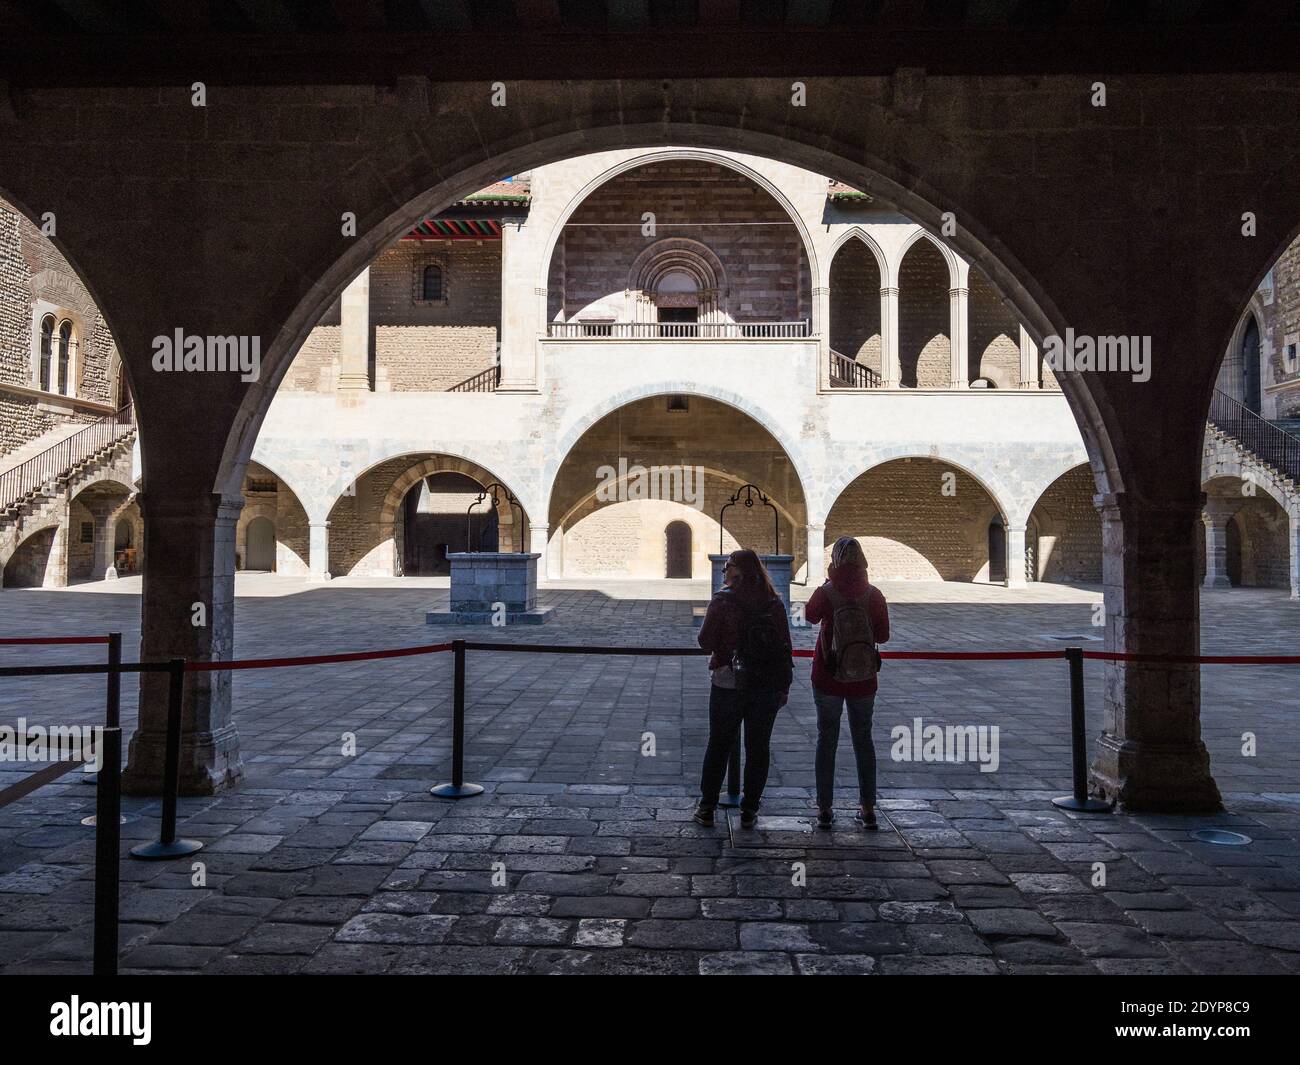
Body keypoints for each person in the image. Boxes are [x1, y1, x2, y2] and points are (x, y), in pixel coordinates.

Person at [694, 549, 793, 829]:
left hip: (728, 682)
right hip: (766, 684)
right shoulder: (773, 602)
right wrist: (784, 685)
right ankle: (749, 810)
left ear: (737, 570)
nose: (724, 571)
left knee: (719, 745)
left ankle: (707, 807)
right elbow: (785, 645)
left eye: (727, 566)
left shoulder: (723, 601)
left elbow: (704, 641)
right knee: (758, 747)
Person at [805, 536, 890, 830]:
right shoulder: (873, 594)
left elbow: (809, 615)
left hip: (827, 675)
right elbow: (882, 637)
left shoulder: (826, 593)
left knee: (826, 740)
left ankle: (825, 809)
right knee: (863, 740)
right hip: (863, 678)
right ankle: (867, 809)